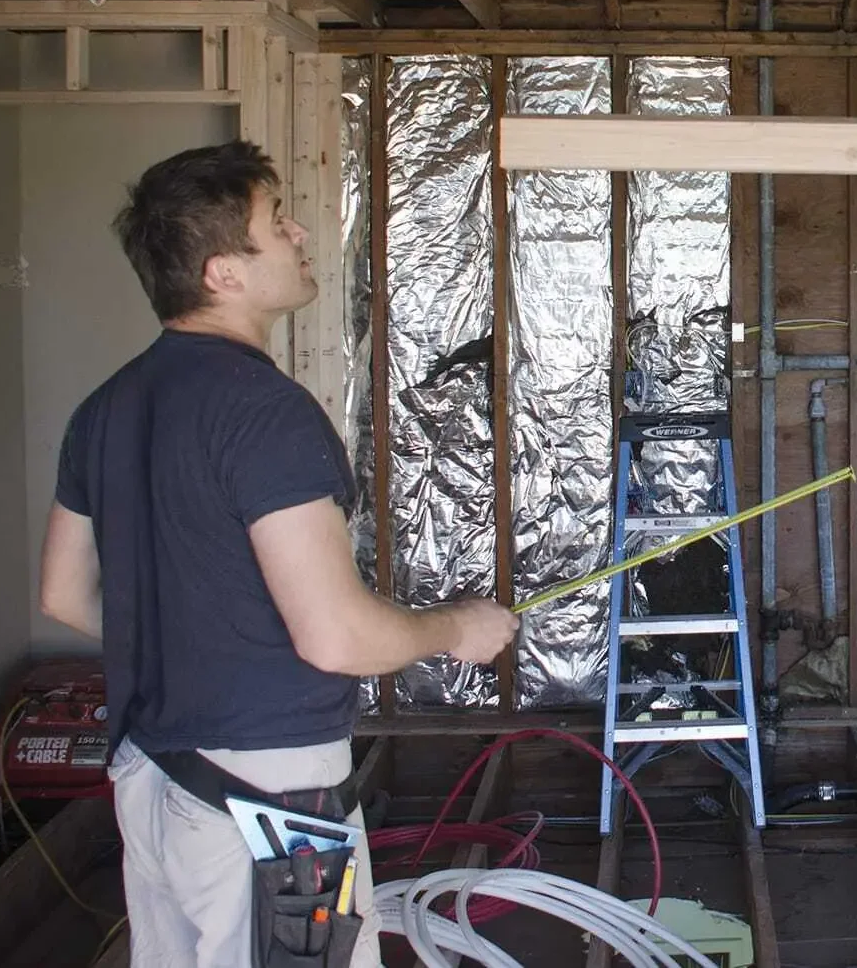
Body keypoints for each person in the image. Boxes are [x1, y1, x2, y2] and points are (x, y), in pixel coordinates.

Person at [39, 140, 519, 967]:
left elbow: (63, 594)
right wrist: (456, 628)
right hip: (270, 797)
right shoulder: (265, 412)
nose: (300, 233)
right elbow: (335, 635)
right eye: (276, 221)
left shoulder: (104, 409)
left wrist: (201, 641)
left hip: (153, 783)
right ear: (223, 272)